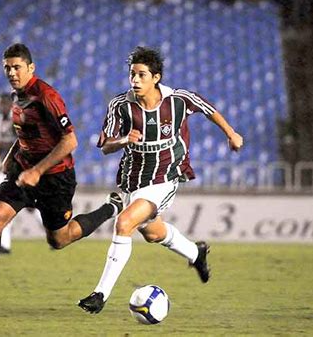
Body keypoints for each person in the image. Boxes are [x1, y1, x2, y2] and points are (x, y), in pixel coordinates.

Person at [0, 43, 123, 310]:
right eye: (7, 68)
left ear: (31, 68)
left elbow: (70, 141)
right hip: (23, 172)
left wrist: (37, 171)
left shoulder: (47, 96)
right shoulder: (16, 97)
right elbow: (29, 135)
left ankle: (110, 208)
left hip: (55, 178)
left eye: (17, 67)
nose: (11, 72)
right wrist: (12, 156)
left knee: (59, 239)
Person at [78, 46, 244, 314]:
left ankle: (100, 294)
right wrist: (123, 139)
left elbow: (208, 108)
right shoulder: (120, 106)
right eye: (132, 74)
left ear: (156, 77)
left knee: (124, 222)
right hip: (133, 179)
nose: (135, 80)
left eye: (141, 75)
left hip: (166, 175)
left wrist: (231, 133)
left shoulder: (178, 100)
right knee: (153, 233)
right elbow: (105, 145)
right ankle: (195, 254)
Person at [0, 93, 17, 254]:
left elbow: (22, 142)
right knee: (4, 205)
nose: (0, 106)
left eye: (3, 103)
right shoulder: (2, 121)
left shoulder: (16, 120)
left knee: (4, 204)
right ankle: (5, 243)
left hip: (15, 170)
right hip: (6, 170)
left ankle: (56, 234)